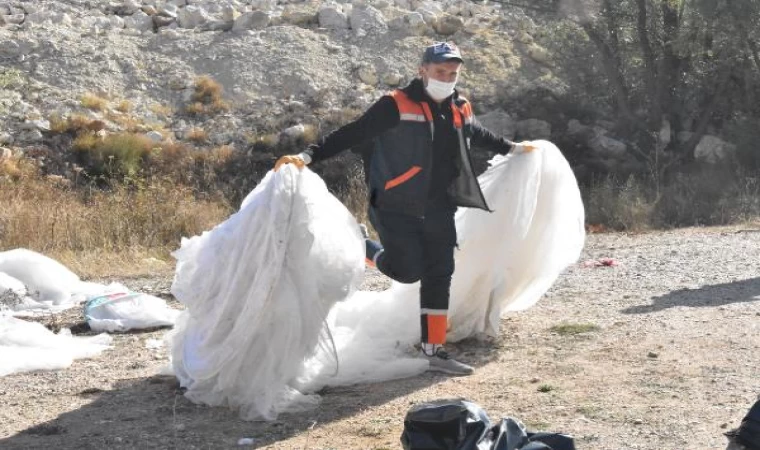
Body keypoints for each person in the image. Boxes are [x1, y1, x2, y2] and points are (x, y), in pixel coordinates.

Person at [274, 42, 536, 376]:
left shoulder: (460, 106)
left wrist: (512, 148)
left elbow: (475, 132)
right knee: (408, 271)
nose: (447, 77)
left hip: (440, 205)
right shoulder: (395, 104)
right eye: (440, 71)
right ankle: (363, 246)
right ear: (423, 69)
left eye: (452, 73)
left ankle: (434, 351)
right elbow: (354, 131)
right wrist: (307, 156)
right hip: (396, 204)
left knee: (439, 273)